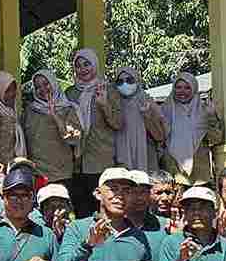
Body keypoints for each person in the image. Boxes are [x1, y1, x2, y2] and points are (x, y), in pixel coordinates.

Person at [54, 169, 152, 261]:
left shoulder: (139, 236)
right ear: (98, 194)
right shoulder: (77, 228)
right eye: (114, 189)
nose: (120, 196)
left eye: (127, 190)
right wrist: (87, 245)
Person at [64, 48, 120, 216]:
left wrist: (103, 104)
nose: (83, 69)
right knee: (82, 211)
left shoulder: (107, 89)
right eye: (78, 66)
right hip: (76, 161)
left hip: (101, 159)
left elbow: (118, 123)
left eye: (87, 64)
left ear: (95, 65)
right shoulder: (70, 93)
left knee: (103, 208)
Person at [158, 66, 221, 183]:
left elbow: (216, 139)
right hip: (172, 169)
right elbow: (159, 138)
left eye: (187, 88)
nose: (182, 91)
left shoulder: (204, 110)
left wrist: (211, 117)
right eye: (178, 87)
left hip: (200, 173)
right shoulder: (164, 110)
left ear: (194, 89)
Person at [22, 69, 81, 188]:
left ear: (53, 83)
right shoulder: (30, 111)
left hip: (61, 174)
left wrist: (54, 115)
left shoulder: (67, 109)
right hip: (38, 173)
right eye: (38, 86)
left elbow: (74, 139)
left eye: (46, 84)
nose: (42, 89)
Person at [111, 66, 167, 174]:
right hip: (121, 157)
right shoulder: (114, 103)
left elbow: (159, 135)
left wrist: (147, 115)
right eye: (120, 81)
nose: (125, 84)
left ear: (137, 80)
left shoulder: (147, 101)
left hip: (146, 156)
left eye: (129, 80)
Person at [0, 71, 26, 189]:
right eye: (7, 91)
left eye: (14, 90)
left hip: (12, 172)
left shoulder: (10, 112)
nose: (12, 94)